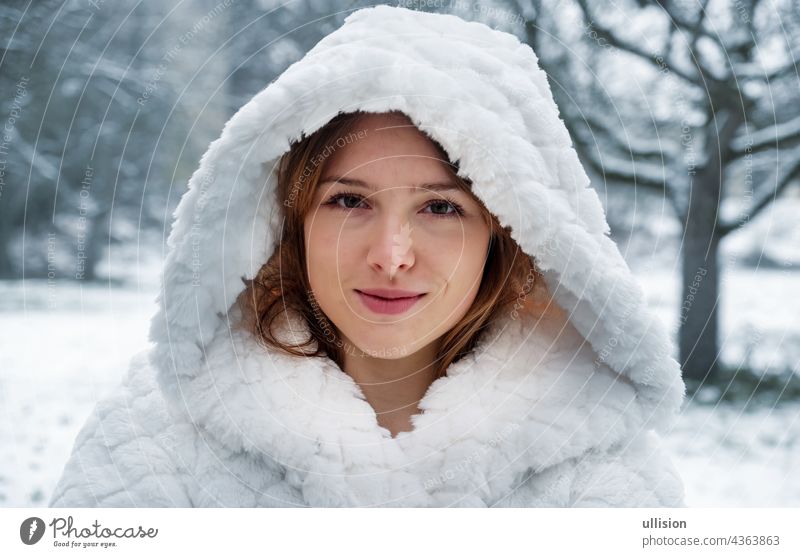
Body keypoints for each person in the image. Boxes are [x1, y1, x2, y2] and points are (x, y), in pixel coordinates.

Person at [49, 4, 686, 507]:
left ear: (509, 231)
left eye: (440, 208)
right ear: (289, 218)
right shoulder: (156, 432)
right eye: (350, 201)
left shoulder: (599, 467)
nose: (390, 255)